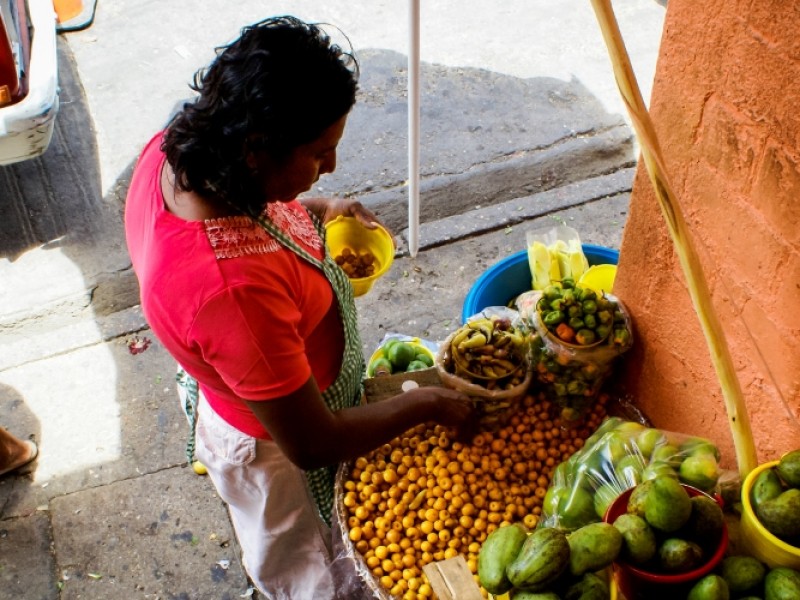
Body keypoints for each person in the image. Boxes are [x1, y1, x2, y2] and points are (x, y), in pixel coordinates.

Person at [124, 16, 475, 600]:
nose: (332, 166)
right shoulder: (231, 293)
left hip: (263, 391)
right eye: (320, 152)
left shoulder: (181, 150)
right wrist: (430, 404)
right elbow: (312, 441)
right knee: (314, 574)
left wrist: (318, 205)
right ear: (256, 149)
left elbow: (261, 219)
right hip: (275, 454)